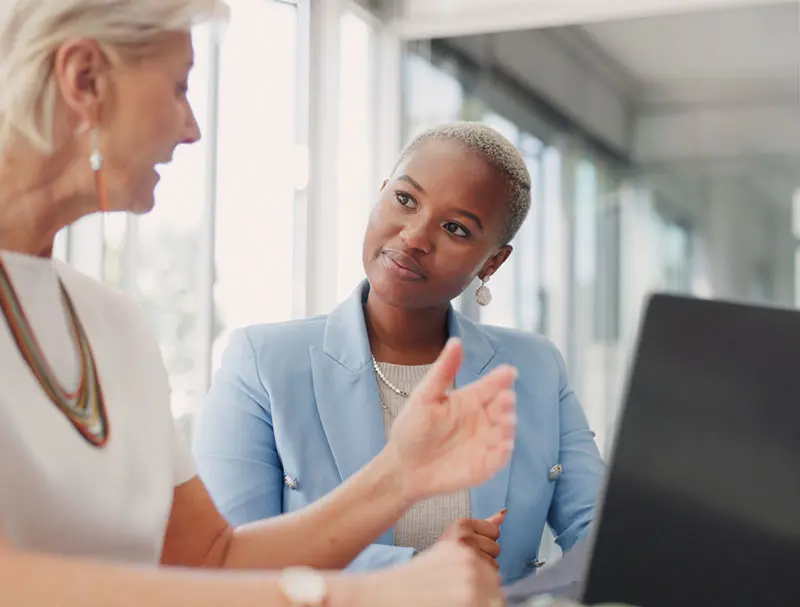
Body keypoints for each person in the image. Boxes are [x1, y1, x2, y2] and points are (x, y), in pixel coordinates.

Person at [0, 2, 519, 606]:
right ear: (84, 78)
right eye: (177, 87)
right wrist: (357, 597)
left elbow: (210, 561)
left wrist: (400, 473)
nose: (190, 127)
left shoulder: (115, 325)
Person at [193, 121, 605, 585]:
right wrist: (414, 571)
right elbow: (223, 567)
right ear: (382, 192)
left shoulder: (533, 369)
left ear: (492, 262)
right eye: (406, 200)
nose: (414, 237)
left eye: (455, 228)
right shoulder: (264, 363)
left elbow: (604, 542)